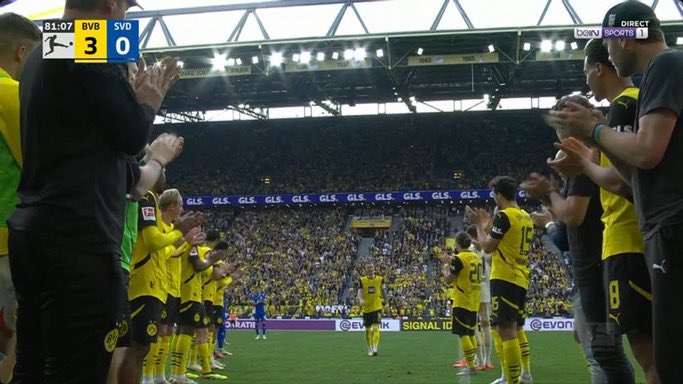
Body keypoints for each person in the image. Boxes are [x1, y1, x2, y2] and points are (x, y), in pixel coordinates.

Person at [6, 0, 183, 381]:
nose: (125, 18)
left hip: (36, 228)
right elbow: (131, 135)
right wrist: (147, 102)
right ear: (110, 3)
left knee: (32, 363)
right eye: (126, 8)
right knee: (77, 369)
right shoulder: (92, 39)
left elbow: (113, 157)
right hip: (78, 237)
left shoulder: (44, 50)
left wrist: (127, 102)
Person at [546, 3, 681, 379]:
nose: (605, 52)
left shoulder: (664, 66)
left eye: (606, 43)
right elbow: (633, 176)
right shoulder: (657, 77)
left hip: (660, 233)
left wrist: (594, 132)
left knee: (659, 360)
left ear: (624, 37)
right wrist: (591, 151)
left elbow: (646, 154)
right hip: (657, 231)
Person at [0, 12, 40, 383]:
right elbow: (37, 162)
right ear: (21, 52)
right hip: (6, 240)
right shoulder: (11, 92)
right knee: (20, 336)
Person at [466, 176, 534, 384]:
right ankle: (523, 374)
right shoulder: (525, 216)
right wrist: (488, 226)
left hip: (504, 278)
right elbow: (504, 242)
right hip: (520, 277)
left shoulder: (504, 216)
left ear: (499, 194)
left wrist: (478, 225)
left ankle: (512, 379)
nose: (493, 198)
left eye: (493, 194)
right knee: (516, 328)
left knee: (505, 330)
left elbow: (487, 247)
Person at [169, 230, 228, 383]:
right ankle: (194, 371)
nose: (200, 235)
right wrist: (213, 261)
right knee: (193, 332)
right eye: (197, 231)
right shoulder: (194, 249)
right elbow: (199, 267)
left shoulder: (191, 248)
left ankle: (178, 372)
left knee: (184, 331)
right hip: (191, 294)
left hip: (189, 293)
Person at [442, 231, 482, 376]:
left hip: (462, 300)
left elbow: (449, 280)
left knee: (462, 334)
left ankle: (471, 367)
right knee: (471, 333)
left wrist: (446, 266)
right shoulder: (477, 257)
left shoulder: (459, 259)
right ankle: (474, 363)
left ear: (457, 244)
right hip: (474, 300)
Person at [467, 225, 494, 371]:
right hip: (485, 288)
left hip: (473, 290)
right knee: (485, 326)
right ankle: (487, 360)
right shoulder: (488, 247)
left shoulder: (470, 250)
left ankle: (478, 359)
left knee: (474, 326)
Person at [357, 264, 383, 356]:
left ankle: (375, 348)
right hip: (367, 309)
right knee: (368, 330)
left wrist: (386, 302)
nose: (370, 269)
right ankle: (369, 348)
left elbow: (383, 291)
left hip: (377, 307)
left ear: (374, 268)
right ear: (366, 269)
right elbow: (359, 291)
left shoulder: (380, 279)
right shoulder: (362, 280)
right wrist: (360, 299)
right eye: (368, 267)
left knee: (376, 328)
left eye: (371, 267)